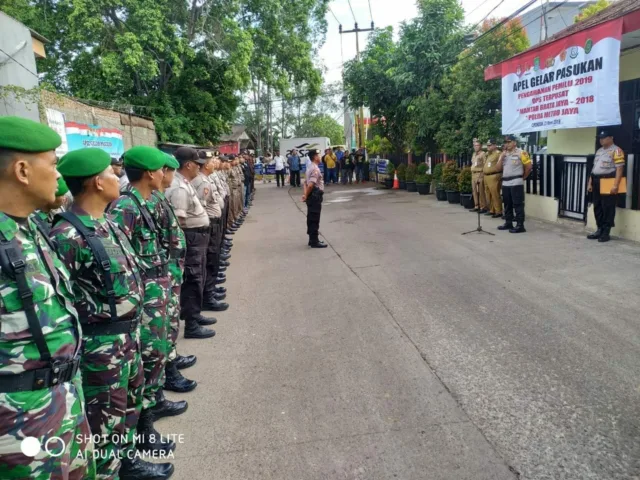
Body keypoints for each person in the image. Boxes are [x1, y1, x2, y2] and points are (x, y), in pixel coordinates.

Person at [51, 147, 173, 480]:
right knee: (105, 415)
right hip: (101, 345)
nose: (116, 177)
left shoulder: (105, 222)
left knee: (127, 406)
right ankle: (111, 470)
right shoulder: (67, 235)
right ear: (95, 183)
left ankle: (128, 462)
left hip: (127, 335)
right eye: (108, 173)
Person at [0, 116, 95, 479]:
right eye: (53, 164)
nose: (59, 176)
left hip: (63, 403)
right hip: (19, 427)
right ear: (22, 170)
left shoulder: (30, 228)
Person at [108, 146, 183, 454]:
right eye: (161, 170)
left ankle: (150, 414)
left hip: (158, 286)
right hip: (145, 290)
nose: (166, 174)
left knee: (157, 352)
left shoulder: (148, 199)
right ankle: (144, 429)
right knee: (148, 357)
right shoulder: (125, 206)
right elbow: (118, 253)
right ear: (151, 173)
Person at [148, 154, 198, 397]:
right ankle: (164, 379)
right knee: (157, 335)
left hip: (167, 273)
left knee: (169, 325)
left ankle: (171, 363)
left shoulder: (155, 198)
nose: (169, 175)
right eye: (167, 170)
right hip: (154, 281)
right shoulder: (134, 205)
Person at [165, 147, 217, 339]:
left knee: (198, 277)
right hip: (192, 237)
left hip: (197, 238)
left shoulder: (184, 182)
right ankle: (191, 324)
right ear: (188, 164)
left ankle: (195, 315)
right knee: (193, 280)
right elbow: (179, 221)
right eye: (197, 164)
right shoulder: (178, 187)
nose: (199, 167)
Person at [191, 151, 229, 312]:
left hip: (212, 224)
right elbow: (200, 207)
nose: (215, 163)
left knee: (212, 259)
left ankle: (210, 291)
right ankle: (208, 296)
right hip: (208, 226)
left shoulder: (204, 179)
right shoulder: (200, 181)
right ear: (206, 164)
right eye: (212, 161)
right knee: (209, 260)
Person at [587, 130, 625, 243]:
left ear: (611, 138)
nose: (601, 140)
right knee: (597, 206)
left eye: (603, 137)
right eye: (600, 138)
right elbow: (594, 168)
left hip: (608, 181)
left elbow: (619, 169)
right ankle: (599, 229)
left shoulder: (616, 151)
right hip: (596, 181)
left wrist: (615, 185)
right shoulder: (599, 151)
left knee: (607, 207)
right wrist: (590, 183)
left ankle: (605, 232)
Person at [498, 135, 532, 234]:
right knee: (507, 204)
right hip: (505, 182)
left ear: (514, 143)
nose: (507, 144)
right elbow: (497, 168)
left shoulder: (521, 153)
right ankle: (508, 222)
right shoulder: (504, 154)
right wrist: (501, 158)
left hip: (516, 182)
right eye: (506, 142)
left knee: (518, 204)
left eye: (509, 142)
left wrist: (523, 177)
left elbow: (528, 167)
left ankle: (520, 225)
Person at [302, 149, 327, 248]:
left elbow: (305, 183)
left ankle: (311, 239)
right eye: (319, 155)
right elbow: (311, 185)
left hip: (311, 196)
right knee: (314, 218)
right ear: (315, 157)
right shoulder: (315, 169)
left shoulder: (309, 167)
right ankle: (314, 241)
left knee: (311, 217)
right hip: (315, 196)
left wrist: (305, 195)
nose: (320, 156)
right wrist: (306, 195)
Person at [483, 139, 504, 218]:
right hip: (486, 176)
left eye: (490, 145)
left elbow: (501, 165)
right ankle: (492, 210)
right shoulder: (489, 154)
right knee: (488, 194)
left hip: (494, 176)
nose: (488, 147)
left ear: (495, 145)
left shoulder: (498, 154)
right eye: (487, 145)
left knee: (495, 194)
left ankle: (498, 211)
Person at [470, 139, 488, 214]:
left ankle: (483, 206)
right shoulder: (474, 154)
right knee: (474, 191)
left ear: (480, 146)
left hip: (479, 173)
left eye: (477, 145)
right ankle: (476, 205)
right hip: (473, 174)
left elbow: (485, 164)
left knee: (480, 191)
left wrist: (482, 175)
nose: (475, 147)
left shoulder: (483, 154)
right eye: (474, 145)